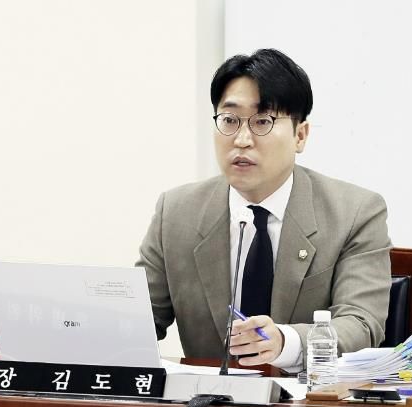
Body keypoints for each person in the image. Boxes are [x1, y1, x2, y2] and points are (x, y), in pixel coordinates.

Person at [136, 49, 391, 372]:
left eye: (262, 122)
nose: (242, 140)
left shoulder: (354, 213)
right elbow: (139, 321)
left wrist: (285, 342)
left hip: (307, 399)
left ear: (300, 135)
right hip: (205, 401)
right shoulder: (176, 213)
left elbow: (361, 324)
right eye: (229, 120)